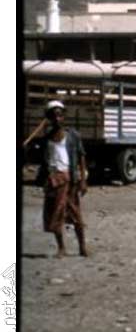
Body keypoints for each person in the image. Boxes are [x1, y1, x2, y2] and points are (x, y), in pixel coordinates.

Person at [23, 101, 89, 257]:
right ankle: (61, 248)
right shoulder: (46, 139)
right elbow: (39, 159)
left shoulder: (73, 135)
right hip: (53, 180)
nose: (57, 119)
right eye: (53, 116)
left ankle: (82, 247)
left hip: (70, 179)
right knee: (56, 213)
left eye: (59, 115)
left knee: (75, 214)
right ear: (49, 118)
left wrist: (83, 180)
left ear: (64, 117)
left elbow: (81, 156)